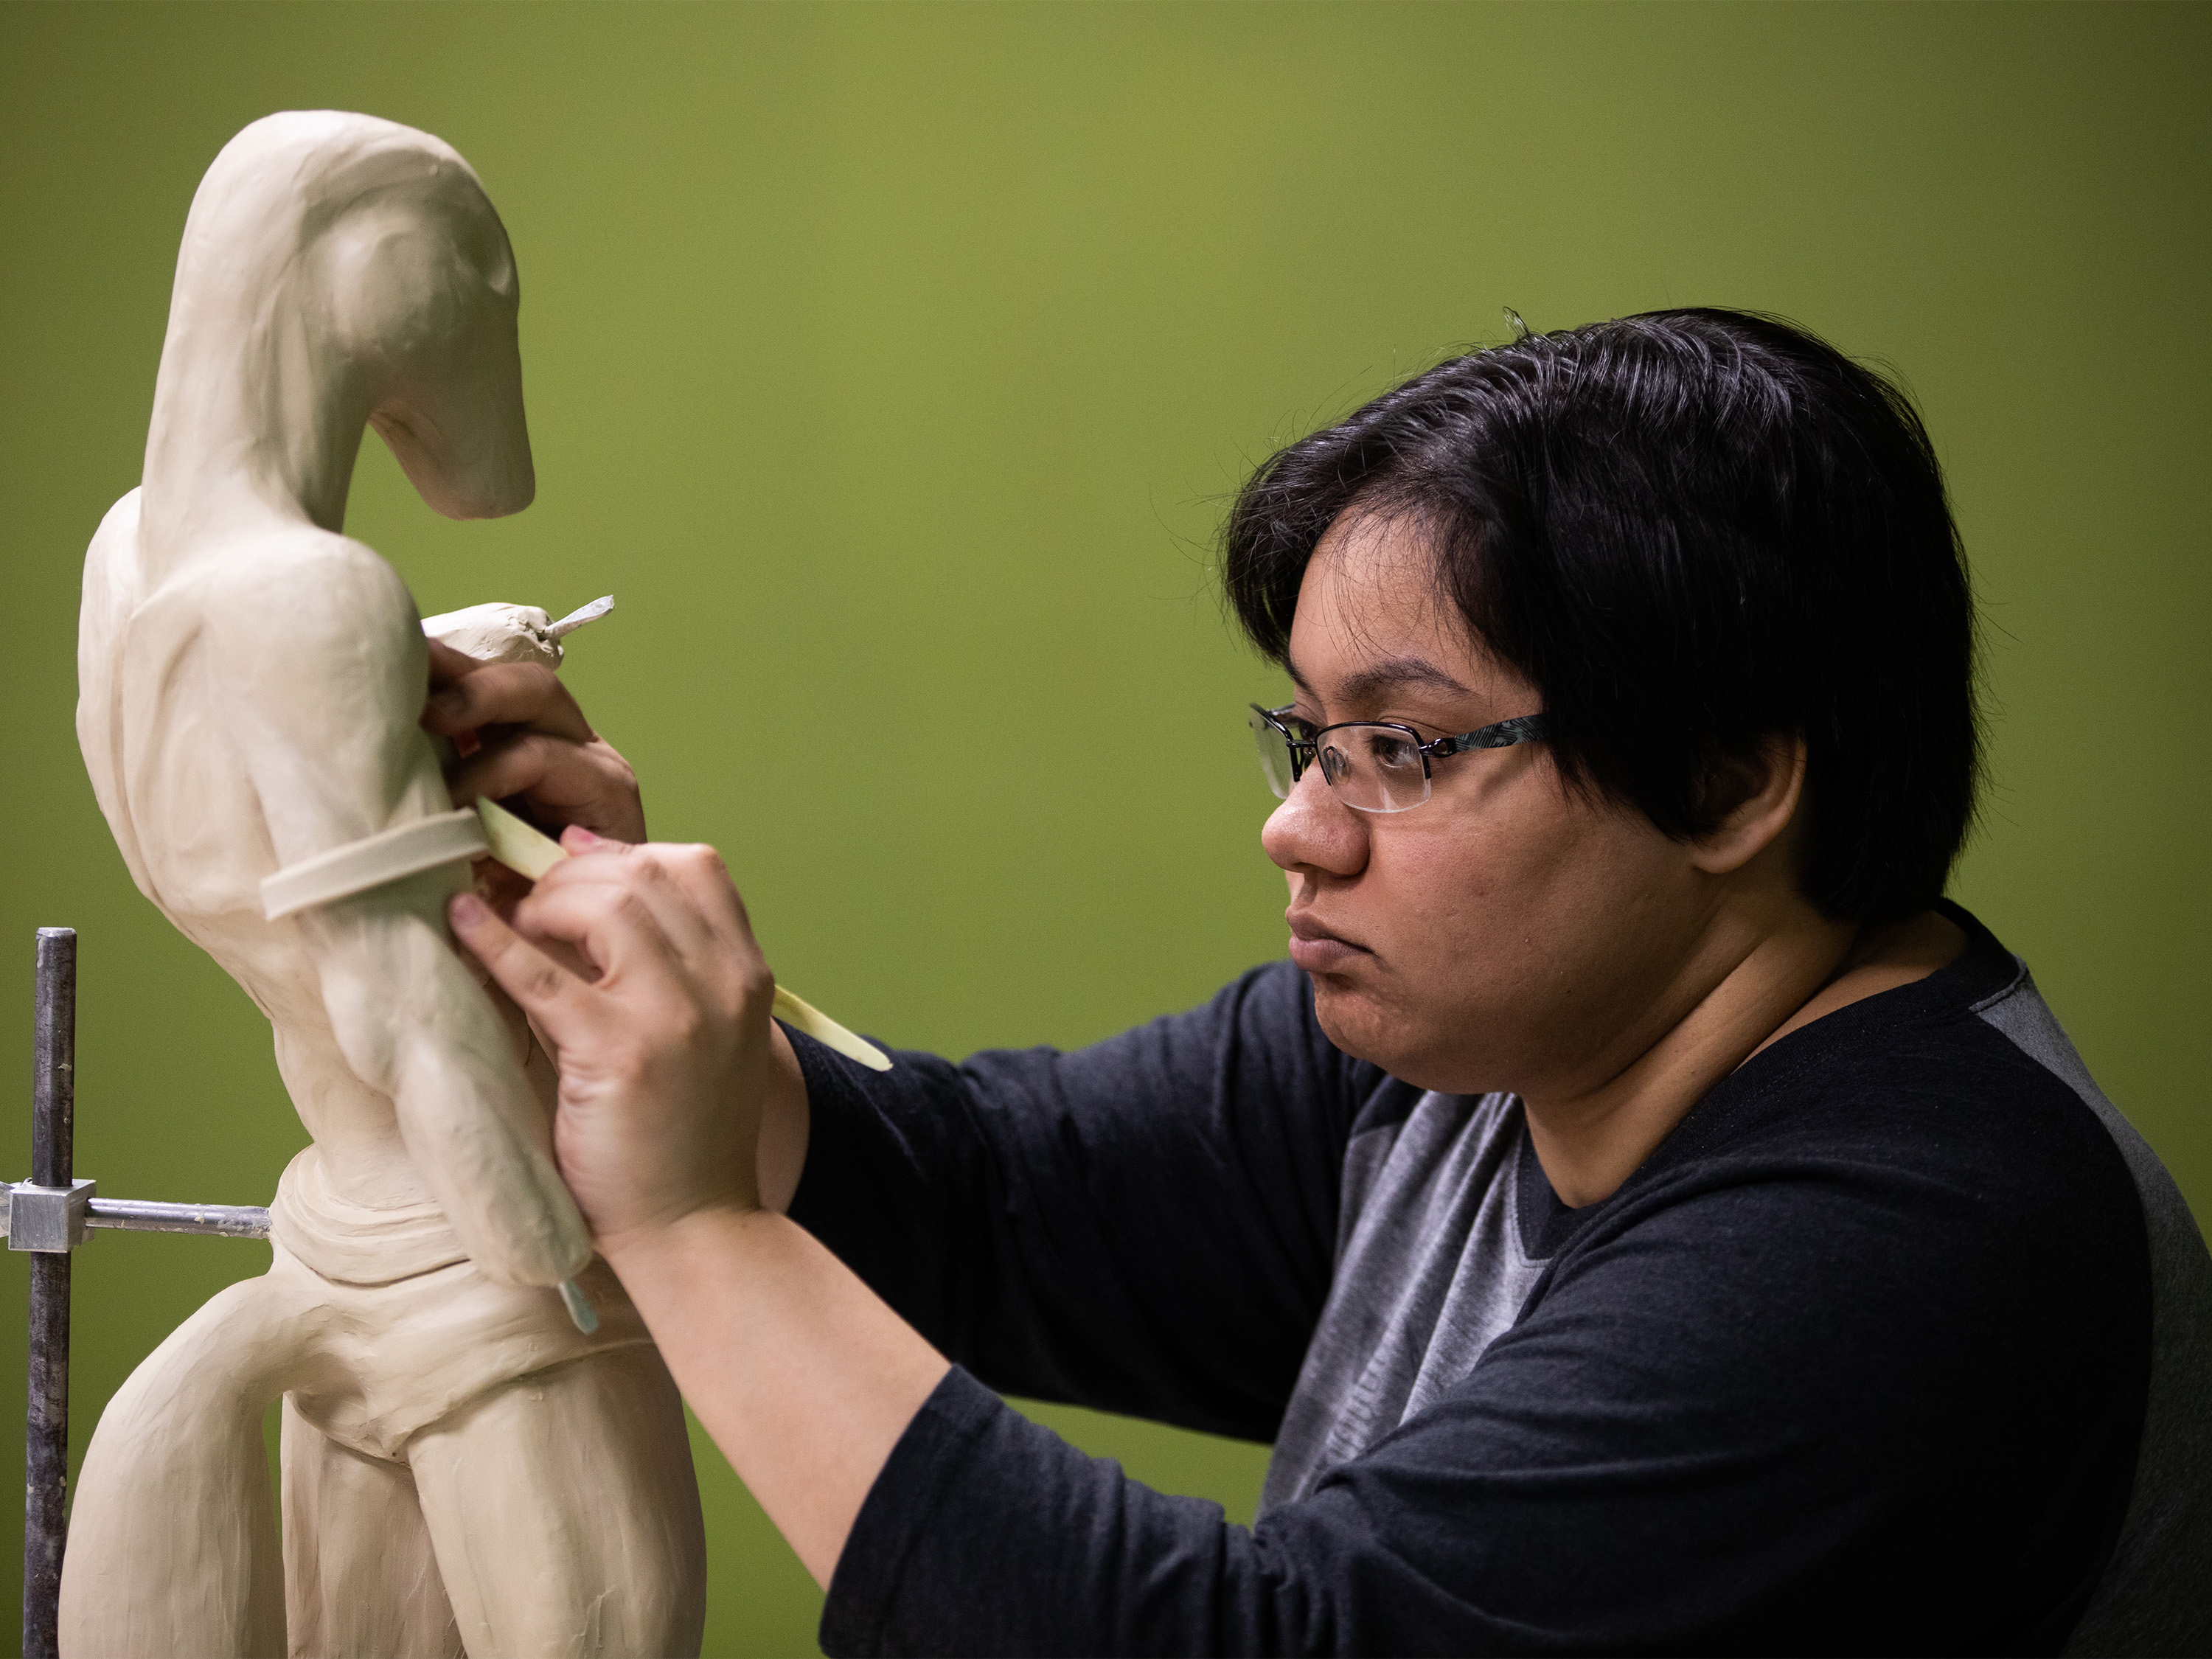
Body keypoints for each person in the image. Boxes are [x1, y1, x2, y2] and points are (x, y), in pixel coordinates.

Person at [425, 309, 2211, 1655]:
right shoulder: (1462, 1051)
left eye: (1407, 751)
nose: (1302, 831)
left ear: (1738, 779)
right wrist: (589, 932)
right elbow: (981, 1199)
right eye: (1308, 737)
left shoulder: (1920, 1243)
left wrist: (688, 1229)